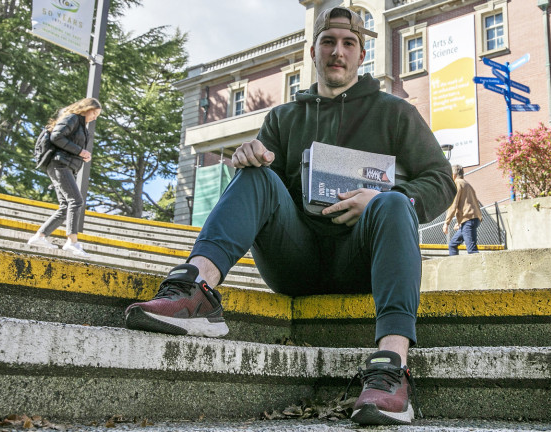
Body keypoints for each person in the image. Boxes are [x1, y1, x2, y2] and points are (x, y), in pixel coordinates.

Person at [123, 6, 455, 426]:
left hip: (362, 262)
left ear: (362, 53)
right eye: (328, 42)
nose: (338, 51)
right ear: (313, 51)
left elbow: (442, 181)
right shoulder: (282, 117)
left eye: (348, 43)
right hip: (295, 260)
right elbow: (264, 193)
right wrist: (250, 157)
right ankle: (196, 289)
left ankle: (391, 366)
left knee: (391, 202)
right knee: (257, 175)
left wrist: (384, 196)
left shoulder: (396, 113)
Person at [27, 97, 101, 257]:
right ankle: (72, 242)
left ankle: (39, 237)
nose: (95, 117)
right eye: (94, 112)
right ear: (86, 108)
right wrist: (80, 151)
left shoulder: (81, 125)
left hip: (64, 165)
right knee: (76, 201)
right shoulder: (73, 117)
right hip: (59, 164)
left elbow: (69, 142)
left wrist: (81, 155)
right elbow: (57, 136)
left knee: (66, 206)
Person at [442, 165, 483, 255]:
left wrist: (446, 222)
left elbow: (453, 204)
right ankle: (455, 266)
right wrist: (460, 222)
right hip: (470, 219)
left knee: (472, 250)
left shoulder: (457, 183)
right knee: (452, 244)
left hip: (468, 220)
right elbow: (471, 203)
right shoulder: (467, 184)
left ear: (453, 175)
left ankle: (480, 268)